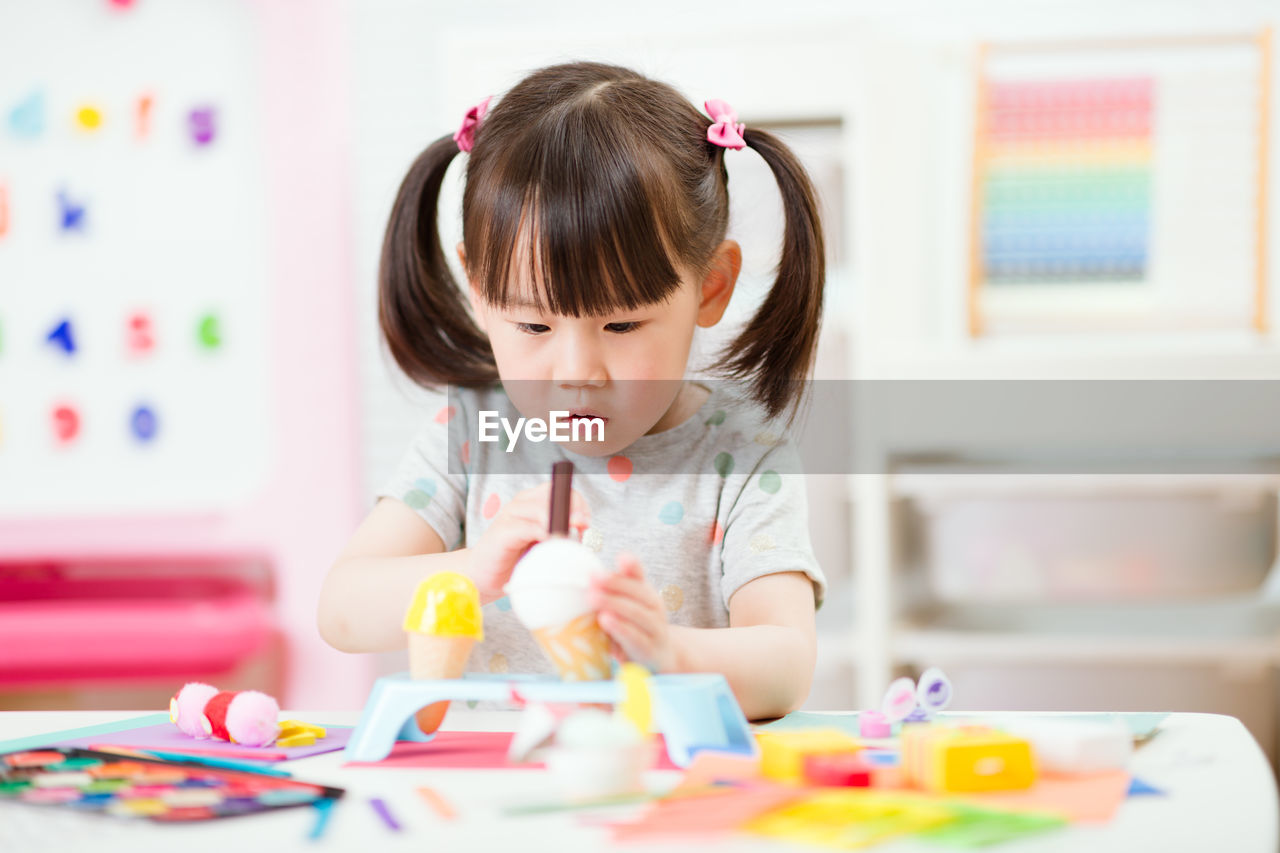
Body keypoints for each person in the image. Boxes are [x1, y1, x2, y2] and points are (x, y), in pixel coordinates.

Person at [319, 61, 828, 720]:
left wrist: (667, 651)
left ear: (709, 288)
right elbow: (342, 609)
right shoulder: (472, 435)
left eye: (621, 323)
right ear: (479, 290)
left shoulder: (741, 454)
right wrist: (479, 566)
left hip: (657, 799)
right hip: (489, 794)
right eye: (533, 323)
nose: (576, 368)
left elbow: (787, 663)